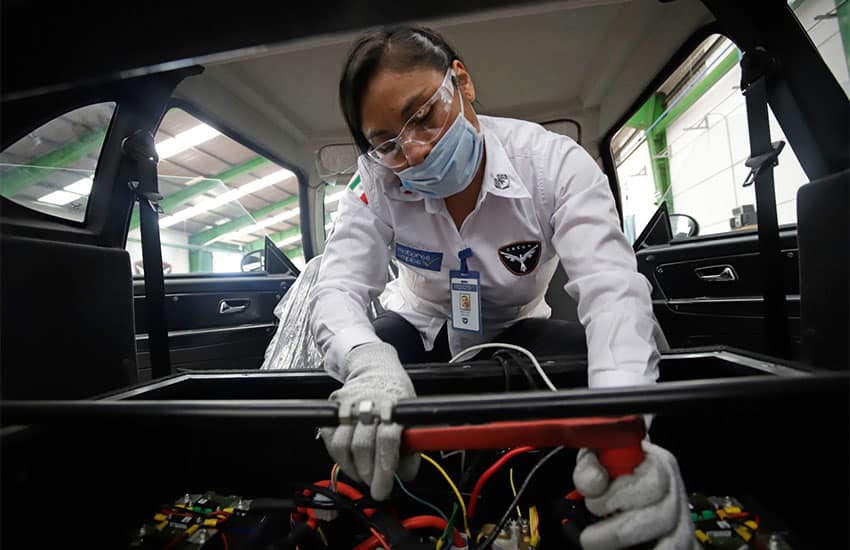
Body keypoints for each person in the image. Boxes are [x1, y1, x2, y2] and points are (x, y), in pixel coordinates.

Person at [309, 25, 696, 549]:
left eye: (423, 117)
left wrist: (621, 427)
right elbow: (337, 287)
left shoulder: (554, 164)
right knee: (359, 393)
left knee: (583, 362)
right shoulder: (376, 182)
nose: (417, 153)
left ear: (462, 83)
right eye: (389, 144)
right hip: (420, 326)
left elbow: (612, 292)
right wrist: (368, 364)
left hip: (519, 328)